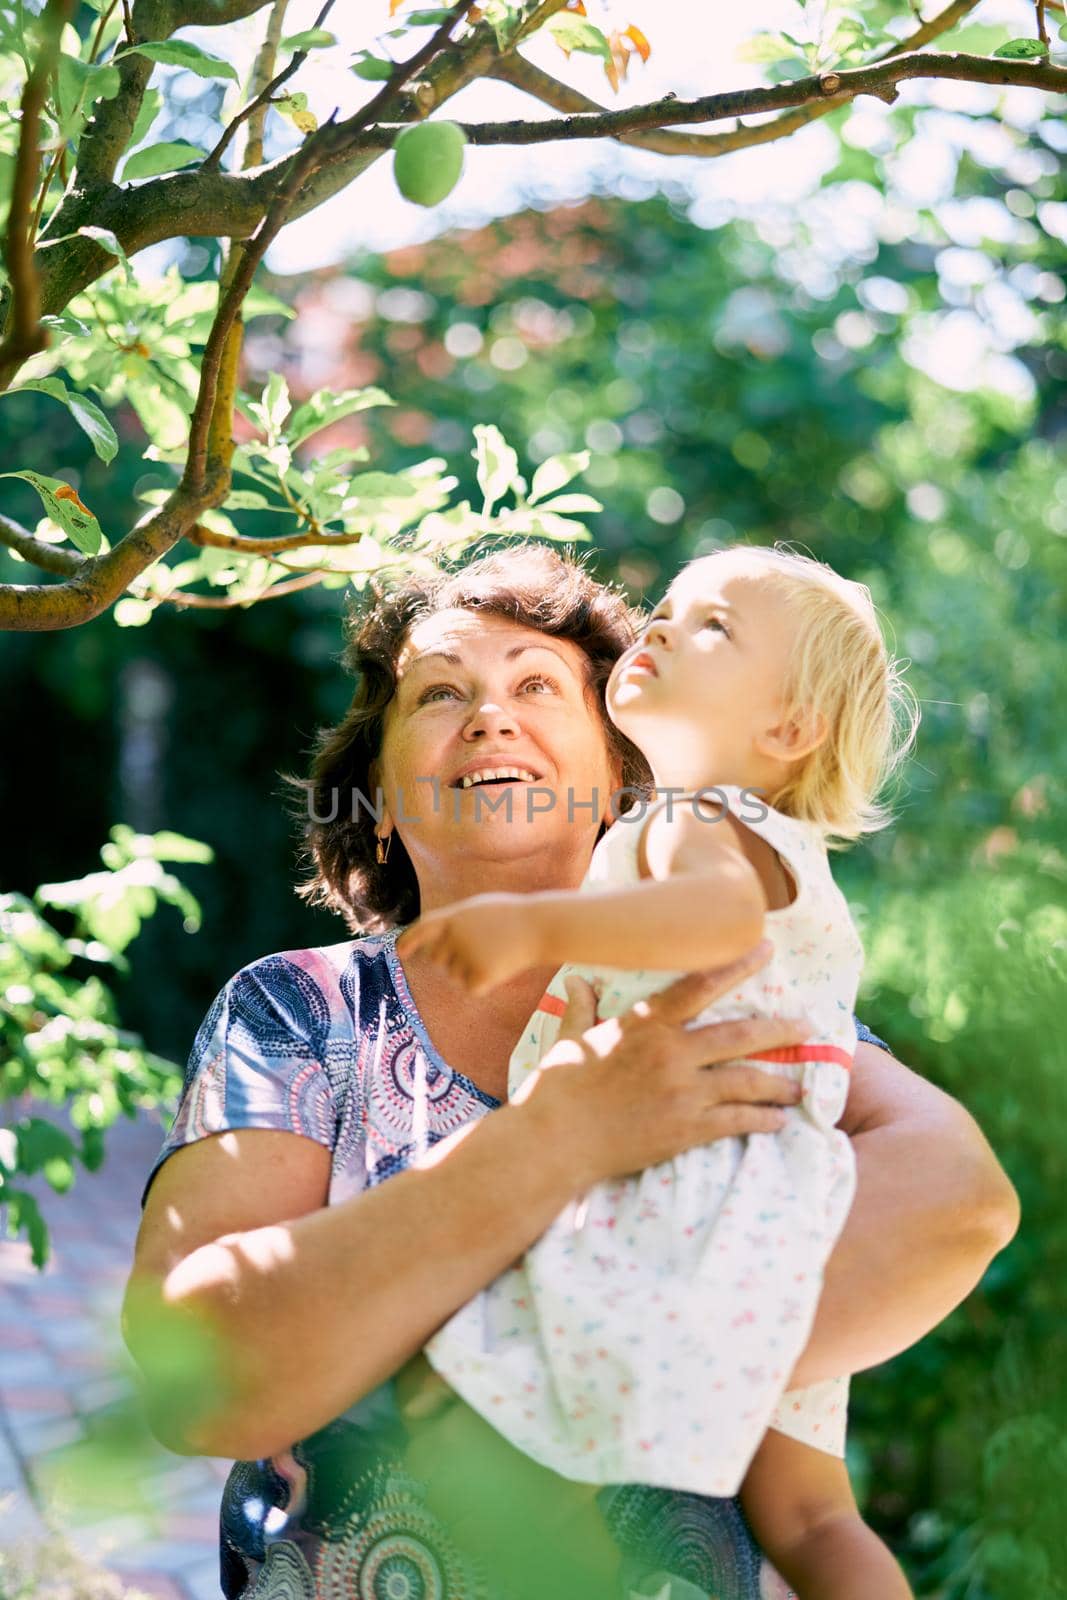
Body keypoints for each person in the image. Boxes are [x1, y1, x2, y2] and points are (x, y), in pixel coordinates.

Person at [123, 544, 1019, 1600]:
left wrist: (417, 1358)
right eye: (441, 693)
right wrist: (556, 1137)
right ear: (378, 799)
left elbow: (956, 1205)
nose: (489, 717)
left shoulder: (740, 988)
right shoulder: (299, 1009)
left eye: (536, 686)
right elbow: (197, 1375)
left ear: (616, 775)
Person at [400, 546, 919, 1597]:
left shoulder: (698, 824)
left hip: (681, 1204)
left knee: (497, 1455)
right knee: (811, 1515)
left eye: (713, 626)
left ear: (784, 730)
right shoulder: (767, 840)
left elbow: (712, 924)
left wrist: (528, 923)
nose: (667, 628)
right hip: (777, 1203)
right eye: (670, 609)